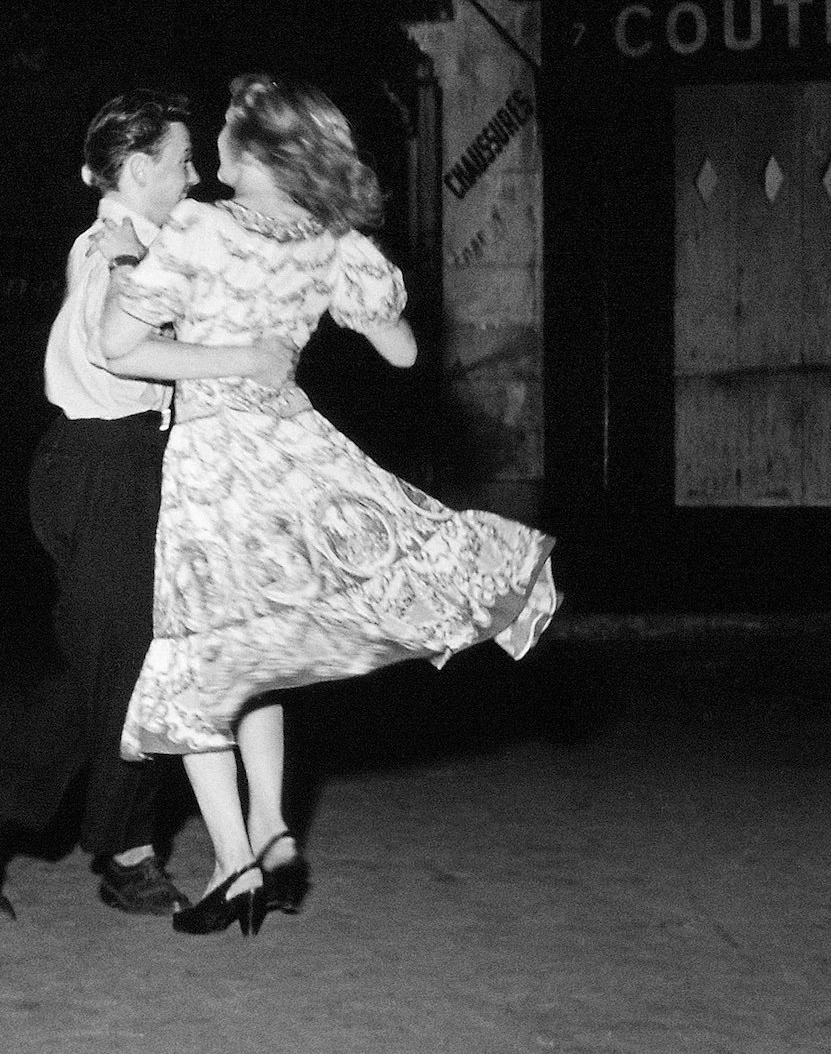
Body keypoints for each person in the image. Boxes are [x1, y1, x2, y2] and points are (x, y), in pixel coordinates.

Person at [96, 73, 560, 938]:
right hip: (298, 458)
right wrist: (316, 298)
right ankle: (271, 829)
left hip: (217, 467)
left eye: (228, 134)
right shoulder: (331, 240)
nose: (216, 148)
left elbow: (119, 350)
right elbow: (402, 349)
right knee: (258, 651)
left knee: (202, 663)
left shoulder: (198, 229)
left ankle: (234, 859)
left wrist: (234, 353)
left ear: (259, 154)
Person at [0, 89, 297, 921]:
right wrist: (240, 356)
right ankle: (119, 850)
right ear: (136, 169)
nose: (196, 174)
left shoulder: (142, 242)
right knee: (129, 662)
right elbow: (121, 355)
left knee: (110, 661)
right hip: (104, 462)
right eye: (182, 160)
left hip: (121, 463)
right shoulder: (110, 251)